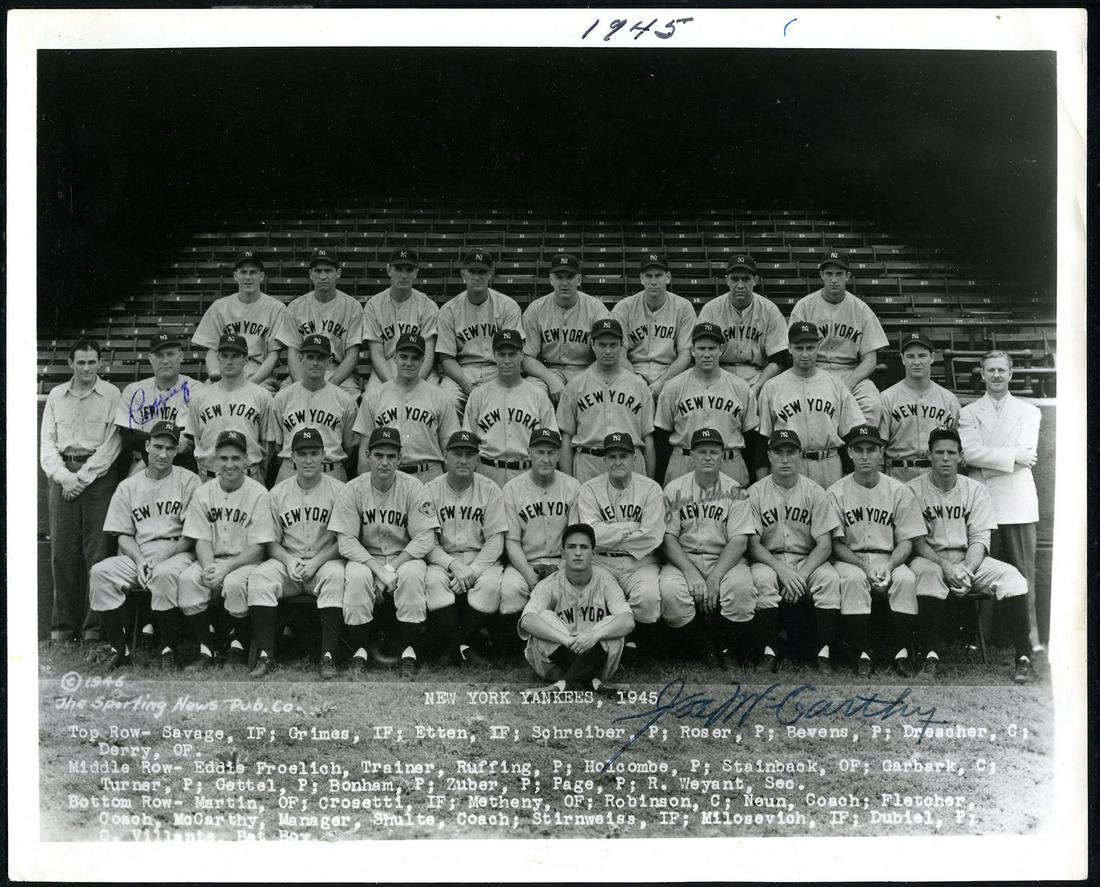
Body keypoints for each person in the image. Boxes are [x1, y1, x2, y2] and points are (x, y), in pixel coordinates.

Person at [907, 427, 1036, 684]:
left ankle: (1023, 656)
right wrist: (946, 567)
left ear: (960, 456)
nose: (945, 458)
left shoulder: (975, 490)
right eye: (939, 452)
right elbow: (918, 542)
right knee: (929, 575)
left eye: (951, 452)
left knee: (1013, 578)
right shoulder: (912, 490)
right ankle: (930, 656)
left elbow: (979, 539)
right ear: (929, 455)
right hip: (930, 559)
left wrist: (965, 569)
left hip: (969, 560)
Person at [86, 421, 200, 670]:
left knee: (163, 573)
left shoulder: (189, 481)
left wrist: (160, 559)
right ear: (147, 446)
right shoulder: (128, 486)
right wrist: (139, 560)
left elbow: (190, 536)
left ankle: (169, 647)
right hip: (140, 551)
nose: (163, 454)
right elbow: (122, 535)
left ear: (176, 451)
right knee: (101, 573)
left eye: (170, 449)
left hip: (177, 552)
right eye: (158, 446)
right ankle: (119, 647)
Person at [329, 427, 440, 679]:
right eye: (379, 455)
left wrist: (391, 568)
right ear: (368, 455)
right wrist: (378, 570)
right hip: (367, 558)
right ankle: (359, 651)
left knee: (412, 575)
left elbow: (425, 537)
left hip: (404, 557)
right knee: (357, 578)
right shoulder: (353, 489)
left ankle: (409, 653)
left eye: (391, 456)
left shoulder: (414, 487)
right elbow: (345, 541)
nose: (385, 462)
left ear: (400, 458)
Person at [958, 350, 1044, 653]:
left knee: (1023, 568)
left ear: (1011, 373)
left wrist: (987, 462)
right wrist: (1010, 457)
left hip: (1018, 499)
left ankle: (1031, 638)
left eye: (1001, 370)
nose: (996, 375)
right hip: (983, 500)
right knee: (984, 567)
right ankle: (979, 637)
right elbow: (969, 455)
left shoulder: (1029, 411)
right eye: (990, 370)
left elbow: (1027, 456)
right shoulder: (968, 413)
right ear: (981, 374)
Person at [246, 428, 347, 680]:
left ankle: (328, 657)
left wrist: (316, 562)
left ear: (324, 455)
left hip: (324, 562)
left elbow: (345, 541)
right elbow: (271, 542)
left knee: (336, 577)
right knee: (260, 578)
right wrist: (289, 560)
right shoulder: (277, 493)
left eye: (314, 453)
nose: (309, 459)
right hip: (289, 564)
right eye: (303, 454)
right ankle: (265, 655)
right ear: (293, 457)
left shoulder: (340, 491)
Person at [40, 338, 123, 643]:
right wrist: (65, 477)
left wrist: (83, 477)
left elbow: (113, 444)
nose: (87, 368)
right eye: (81, 362)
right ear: (70, 364)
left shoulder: (112, 394)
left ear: (100, 363)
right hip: (62, 476)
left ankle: (93, 629)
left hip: (98, 478)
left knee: (98, 552)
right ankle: (63, 627)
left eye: (92, 362)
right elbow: (47, 445)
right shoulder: (56, 396)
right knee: (62, 554)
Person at [827, 425, 927, 676]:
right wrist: (864, 566)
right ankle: (861, 653)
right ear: (849, 453)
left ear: (881, 452)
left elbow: (907, 540)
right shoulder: (836, 492)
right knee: (852, 579)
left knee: (905, 579)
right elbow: (836, 544)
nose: (865, 456)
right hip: (852, 558)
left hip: (888, 556)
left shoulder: (899, 491)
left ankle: (901, 653)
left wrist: (891, 565)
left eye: (871, 449)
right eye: (858, 450)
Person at [659, 428, 759, 669]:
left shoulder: (736, 490)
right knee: (670, 591)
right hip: (684, 559)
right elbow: (668, 538)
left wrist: (714, 578)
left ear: (723, 455)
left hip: (724, 560)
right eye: (701, 451)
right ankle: (706, 648)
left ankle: (728, 647)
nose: (707, 457)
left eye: (713, 452)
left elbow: (739, 542)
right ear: (692, 455)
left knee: (741, 589)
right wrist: (691, 572)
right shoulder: (674, 489)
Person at [177, 429, 275, 670]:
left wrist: (226, 569)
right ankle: (206, 648)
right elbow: (201, 538)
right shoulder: (203, 492)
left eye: (235, 458)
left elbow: (259, 547)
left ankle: (236, 646)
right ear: (214, 460)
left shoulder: (259, 493)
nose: (229, 464)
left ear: (246, 460)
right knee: (189, 579)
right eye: (223, 458)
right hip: (212, 557)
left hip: (245, 561)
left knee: (233, 583)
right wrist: (209, 566)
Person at [746, 430, 843, 673]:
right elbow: (753, 544)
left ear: (800, 455)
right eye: (779, 453)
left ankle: (823, 653)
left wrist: (800, 574)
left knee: (829, 579)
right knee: (762, 579)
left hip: (807, 559)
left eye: (791, 452)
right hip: (770, 560)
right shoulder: (755, 492)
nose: (785, 459)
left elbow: (825, 544)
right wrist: (782, 571)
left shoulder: (815, 491)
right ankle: (769, 652)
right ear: (769, 456)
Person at [573, 433, 664, 661]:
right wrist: (630, 529)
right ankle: (610, 648)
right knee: (592, 599)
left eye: (623, 456)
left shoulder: (651, 489)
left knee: (649, 598)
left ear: (634, 458)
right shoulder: (589, 489)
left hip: (640, 562)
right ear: (604, 460)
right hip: (602, 560)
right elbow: (590, 534)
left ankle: (635, 645)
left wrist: (609, 531)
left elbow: (652, 536)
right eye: (611, 456)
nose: (617, 461)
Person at [519, 523, 634, 695]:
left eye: (584, 547)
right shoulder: (549, 584)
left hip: (597, 661)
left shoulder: (605, 580)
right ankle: (593, 683)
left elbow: (628, 621)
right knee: (543, 617)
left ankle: (561, 686)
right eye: (572, 547)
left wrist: (594, 635)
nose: (578, 553)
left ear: (593, 553)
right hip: (554, 666)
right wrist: (565, 639)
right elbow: (527, 620)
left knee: (612, 622)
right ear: (563, 553)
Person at [424, 431, 508, 666]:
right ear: (445, 457)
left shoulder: (490, 489)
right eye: (457, 453)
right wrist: (454, 566)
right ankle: (465, 648)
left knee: (490, 586)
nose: (463, 459)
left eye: (469, 455)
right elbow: (428, 542)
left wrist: (473, 570)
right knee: (432, 582)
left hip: (481, 558)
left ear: (477, 459)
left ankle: (452, 648)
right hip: (443, 558)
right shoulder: (430, 490)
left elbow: (495, 540)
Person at [499, 429, 582, 647]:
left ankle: (559, 644)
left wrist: (563, 570)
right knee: (510, 589)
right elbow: (512, 541)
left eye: (551, 453)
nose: (545, 458)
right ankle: (517, 648)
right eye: (539, 452)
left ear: (558, 455)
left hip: (562, 562)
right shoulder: (512, 489)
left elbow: (575, 539)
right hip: (526, 563)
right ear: (529, 453)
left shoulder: (572, 486)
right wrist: (528, 574)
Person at [757, 321, 864, 488]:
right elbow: (762, 439)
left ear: (818, 346)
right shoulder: (772, 387)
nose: (805, 354)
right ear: (789, 348)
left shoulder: (835, 385)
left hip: (829, 463)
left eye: (810, 347)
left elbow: (851, 435)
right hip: (791, 465)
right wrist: (763, 484)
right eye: (799, 348)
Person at [790, 247, 890, 425]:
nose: (834, 279)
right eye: (829, 273)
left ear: (847, 276)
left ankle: (860, 450)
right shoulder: (804, 306)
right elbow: (794, 351)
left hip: (849, 371)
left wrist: (850, 383)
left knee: (872, 404)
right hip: (812, 370)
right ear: (822, 275)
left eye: (839, 273)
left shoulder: (861, 309)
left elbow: (870, 359)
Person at [655, 321, 759, 485]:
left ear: (721, 349)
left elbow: (751, 437)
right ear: (692, 351)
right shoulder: (673, 387)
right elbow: (661, 436)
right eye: (701, 348)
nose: (707, 354)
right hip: (684, 462)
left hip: (729, 462)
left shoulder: (741, 388)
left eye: (712, 348)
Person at [556, 318, 656, 482]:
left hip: (630, 462)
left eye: (613, 345)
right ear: (592, 344)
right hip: (589, 462)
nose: (608, 351)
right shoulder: (576, 385)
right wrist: (569, 483)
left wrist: (650, 481)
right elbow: (566, 437)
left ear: (622, 345)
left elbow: (648, 439)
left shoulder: (638, 385)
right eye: (602, 345)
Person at [353, 332, 459, 483]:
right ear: (395, 357)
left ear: (423, 360)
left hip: (429, 475)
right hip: (387, 475)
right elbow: (365, 454)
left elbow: (449, 450)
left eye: (415, 358)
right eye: (404, 356)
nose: (409, 363)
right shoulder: (373, 397)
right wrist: (364, 488)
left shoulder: (440, 398)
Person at [463, 329, 558, 488]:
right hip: (487, 473)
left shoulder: (538, 395)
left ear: (522, 355)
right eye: (502, 354)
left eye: (512, 354)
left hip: (527, 473)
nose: (507, 360)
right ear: (494, 355)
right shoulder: (478, 395)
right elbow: (468, 443)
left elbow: (552, 443)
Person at [435, 248, 524, 415]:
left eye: (482, 272)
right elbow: (446, 359)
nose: (477, 277)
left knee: (508, 402)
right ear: (463, 274)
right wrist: (468, 386)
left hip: (497, 371)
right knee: (447, 402)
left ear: (490, 274)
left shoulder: (508, 306)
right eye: (472, 271)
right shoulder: (449, 310)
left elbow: (511, 353)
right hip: (461, 373)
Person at [183, 333, 277, 482]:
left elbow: (268, 443)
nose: (229, 361)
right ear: (218, 358)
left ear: (245, 359)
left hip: (249, 476)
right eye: (225, 355)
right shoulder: (200, 397)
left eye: (235, 356)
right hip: (209, 477)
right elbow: (196, 441)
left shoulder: (262, 396)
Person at [191, 249, 286, 394]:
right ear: (235, 276)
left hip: (259, 376)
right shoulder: (219, 307)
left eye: (253, 272)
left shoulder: (276, 308)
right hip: (225, 372)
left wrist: (250, 384)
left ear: (261, 276)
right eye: (243, 272)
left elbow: (274, 354)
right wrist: (216, 378)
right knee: (199, 399)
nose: (248, 277)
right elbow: (211, 349)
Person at [520, 253, 611, 402]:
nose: (564, 283)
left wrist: (584, 379)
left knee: (596, 395)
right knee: (530, 393)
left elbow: (605, 354)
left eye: (569, 277)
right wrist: (550, 379)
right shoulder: (536, 309)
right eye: (559, 277)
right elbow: (527, 357)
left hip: (586, 370)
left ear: (579, 280)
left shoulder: (596, 309)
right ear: (551, 279)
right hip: (547, 370)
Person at [274, 247, 364, 396]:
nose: (323, 276)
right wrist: (301, 385)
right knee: (283, 398)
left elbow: (352, 355)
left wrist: (329, 386)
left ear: (338, 273)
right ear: (310, 274)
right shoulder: (296, 307)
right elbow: (293, 352)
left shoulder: (352, 307)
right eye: (318, 271)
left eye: (328, 271)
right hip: (303, 373)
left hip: (339, 374)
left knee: (348, 401)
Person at [270, 334, 358, 483]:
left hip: (331, 472)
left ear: (329, 362)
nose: (315, 363)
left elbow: (350, 448)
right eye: (310, 357)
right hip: (290, 471)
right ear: (300, 359)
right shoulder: (282, 398)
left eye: (321, 358)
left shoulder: (345, 400)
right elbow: (277, 445)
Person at [698, 253, 787, 396]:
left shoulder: (770, 311)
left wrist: (759, 386)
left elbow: (778, 360)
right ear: (727, 280)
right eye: (735, 279)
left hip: (758, 374)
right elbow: (700, 354)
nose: (740, 285)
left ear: (755, 280)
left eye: (745, 279)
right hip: (720, 373)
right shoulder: (711, 310)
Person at [611, 252, 697, 402]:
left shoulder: (683, 307)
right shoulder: (624, 308)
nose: (653, 281)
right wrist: (636, 381)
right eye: (649, 276)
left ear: (668, 277)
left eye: (658, 275)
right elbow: (619, 353)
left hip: (670, 374)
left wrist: (663, 383)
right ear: (641, 278)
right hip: (631, 372)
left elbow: (685, 355)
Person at [879, 331, 961, 482]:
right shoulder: (887, 398)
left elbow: (957, 448)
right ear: (902, 359)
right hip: (898, 475)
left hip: (936, 476)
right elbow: (879, 450)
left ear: (932, 357)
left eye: (922, 355)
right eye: (910, 356)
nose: (916, 362)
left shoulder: (949, 400)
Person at [115, 332, 201, 475]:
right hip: (142, 467)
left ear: (180, 356)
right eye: (159, 355)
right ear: (150, 358)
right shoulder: (134, 390)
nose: (165, 360)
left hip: (180, 467)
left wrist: (144, 460)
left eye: (170, 354)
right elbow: (129, 437)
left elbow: (186, 441)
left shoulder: (195, 389)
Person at [362, 246, 440, 397]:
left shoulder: (428, 306)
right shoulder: (374, 305)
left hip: (419, 366)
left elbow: (428, 354)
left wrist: (414, 385)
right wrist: (394, 385)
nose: (404, 275)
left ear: (416, 272)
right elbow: (377, 354)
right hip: (386, 368)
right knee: (371, 397)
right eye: (398, 269)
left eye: (409, 269)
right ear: (388, 270)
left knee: (435, 399)